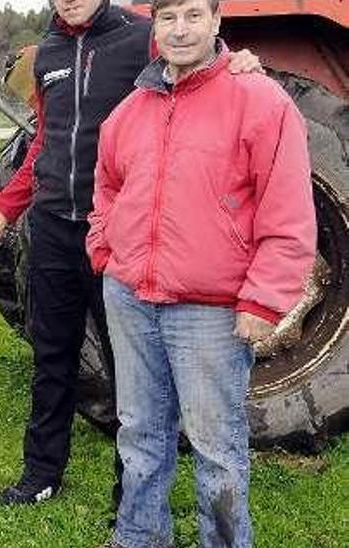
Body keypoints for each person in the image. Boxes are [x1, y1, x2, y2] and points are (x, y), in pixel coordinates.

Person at [0, 0, 260, 506]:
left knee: (129, 370)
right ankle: (41, 475)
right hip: (54, 230)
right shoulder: (48, 52)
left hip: (117, 235)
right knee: (52, 355)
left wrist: (236, 61)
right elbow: (45, 139)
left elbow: (192, 67)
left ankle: (132, 495)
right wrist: (7, 205)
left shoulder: (142, 35)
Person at [88, 0, 315, 543]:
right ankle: (140, 537)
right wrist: (105, 251)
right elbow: (106, 190)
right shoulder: (130, 110)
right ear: (155, 27)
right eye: (168, 18)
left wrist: (263, 301)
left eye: (193, 15)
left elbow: (288, 211)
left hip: (208, 311)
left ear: (216, 22)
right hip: (131, 299)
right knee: (140, 435)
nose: (180, 29)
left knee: (217, 447)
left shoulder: (259, 101)